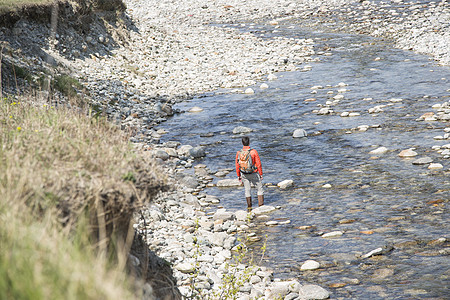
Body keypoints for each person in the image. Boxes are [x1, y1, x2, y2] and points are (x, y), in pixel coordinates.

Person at [235, 136, 264, 210]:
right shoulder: (253, 152)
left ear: (242, 143)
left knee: (247, 190)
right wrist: (260, 174)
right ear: (249, 142)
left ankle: (249, 207)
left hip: (244, 174)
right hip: (253, 173)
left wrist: (238, 176)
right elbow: (259, 164)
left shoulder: (239, 153)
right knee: (259, 189)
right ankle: (261, 207)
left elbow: (237, 165)